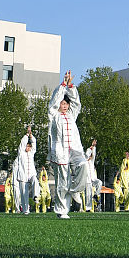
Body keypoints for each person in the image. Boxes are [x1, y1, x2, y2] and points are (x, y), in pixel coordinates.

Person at [48, 73, 88, 219]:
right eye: (62, 104)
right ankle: (61, 211)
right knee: (62, 181)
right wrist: (63, 85)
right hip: (60, 150)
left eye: (66, 104)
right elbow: (53, 102)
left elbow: (77, 103)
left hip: (75, 149)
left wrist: (70, 86)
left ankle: (75, 189)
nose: (64, 106)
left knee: (83, 165)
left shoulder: (72, 114)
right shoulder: (53, 114)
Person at [13, 126, 39, 215]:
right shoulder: (21, 153)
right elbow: (22, 144)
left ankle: (36, 195)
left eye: (29, 146)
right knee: (24, 194)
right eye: (27, 146)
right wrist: (27, 135)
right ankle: (25, 210)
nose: (28, 148)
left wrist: (31, 136)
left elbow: (34, 144)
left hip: (31, 173)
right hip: (23, 175)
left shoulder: (31, 153)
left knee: (35, 180)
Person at [84, 139, 101, 212]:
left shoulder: (91, 162)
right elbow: (86, 155)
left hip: (93, 179)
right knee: (88, 194)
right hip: (87, 180)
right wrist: (90, 149)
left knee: (99, 182)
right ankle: (88, 208)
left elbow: (93, 154)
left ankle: (96, 195)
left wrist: (94, 146)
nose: (91, 156)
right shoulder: (84, 162)